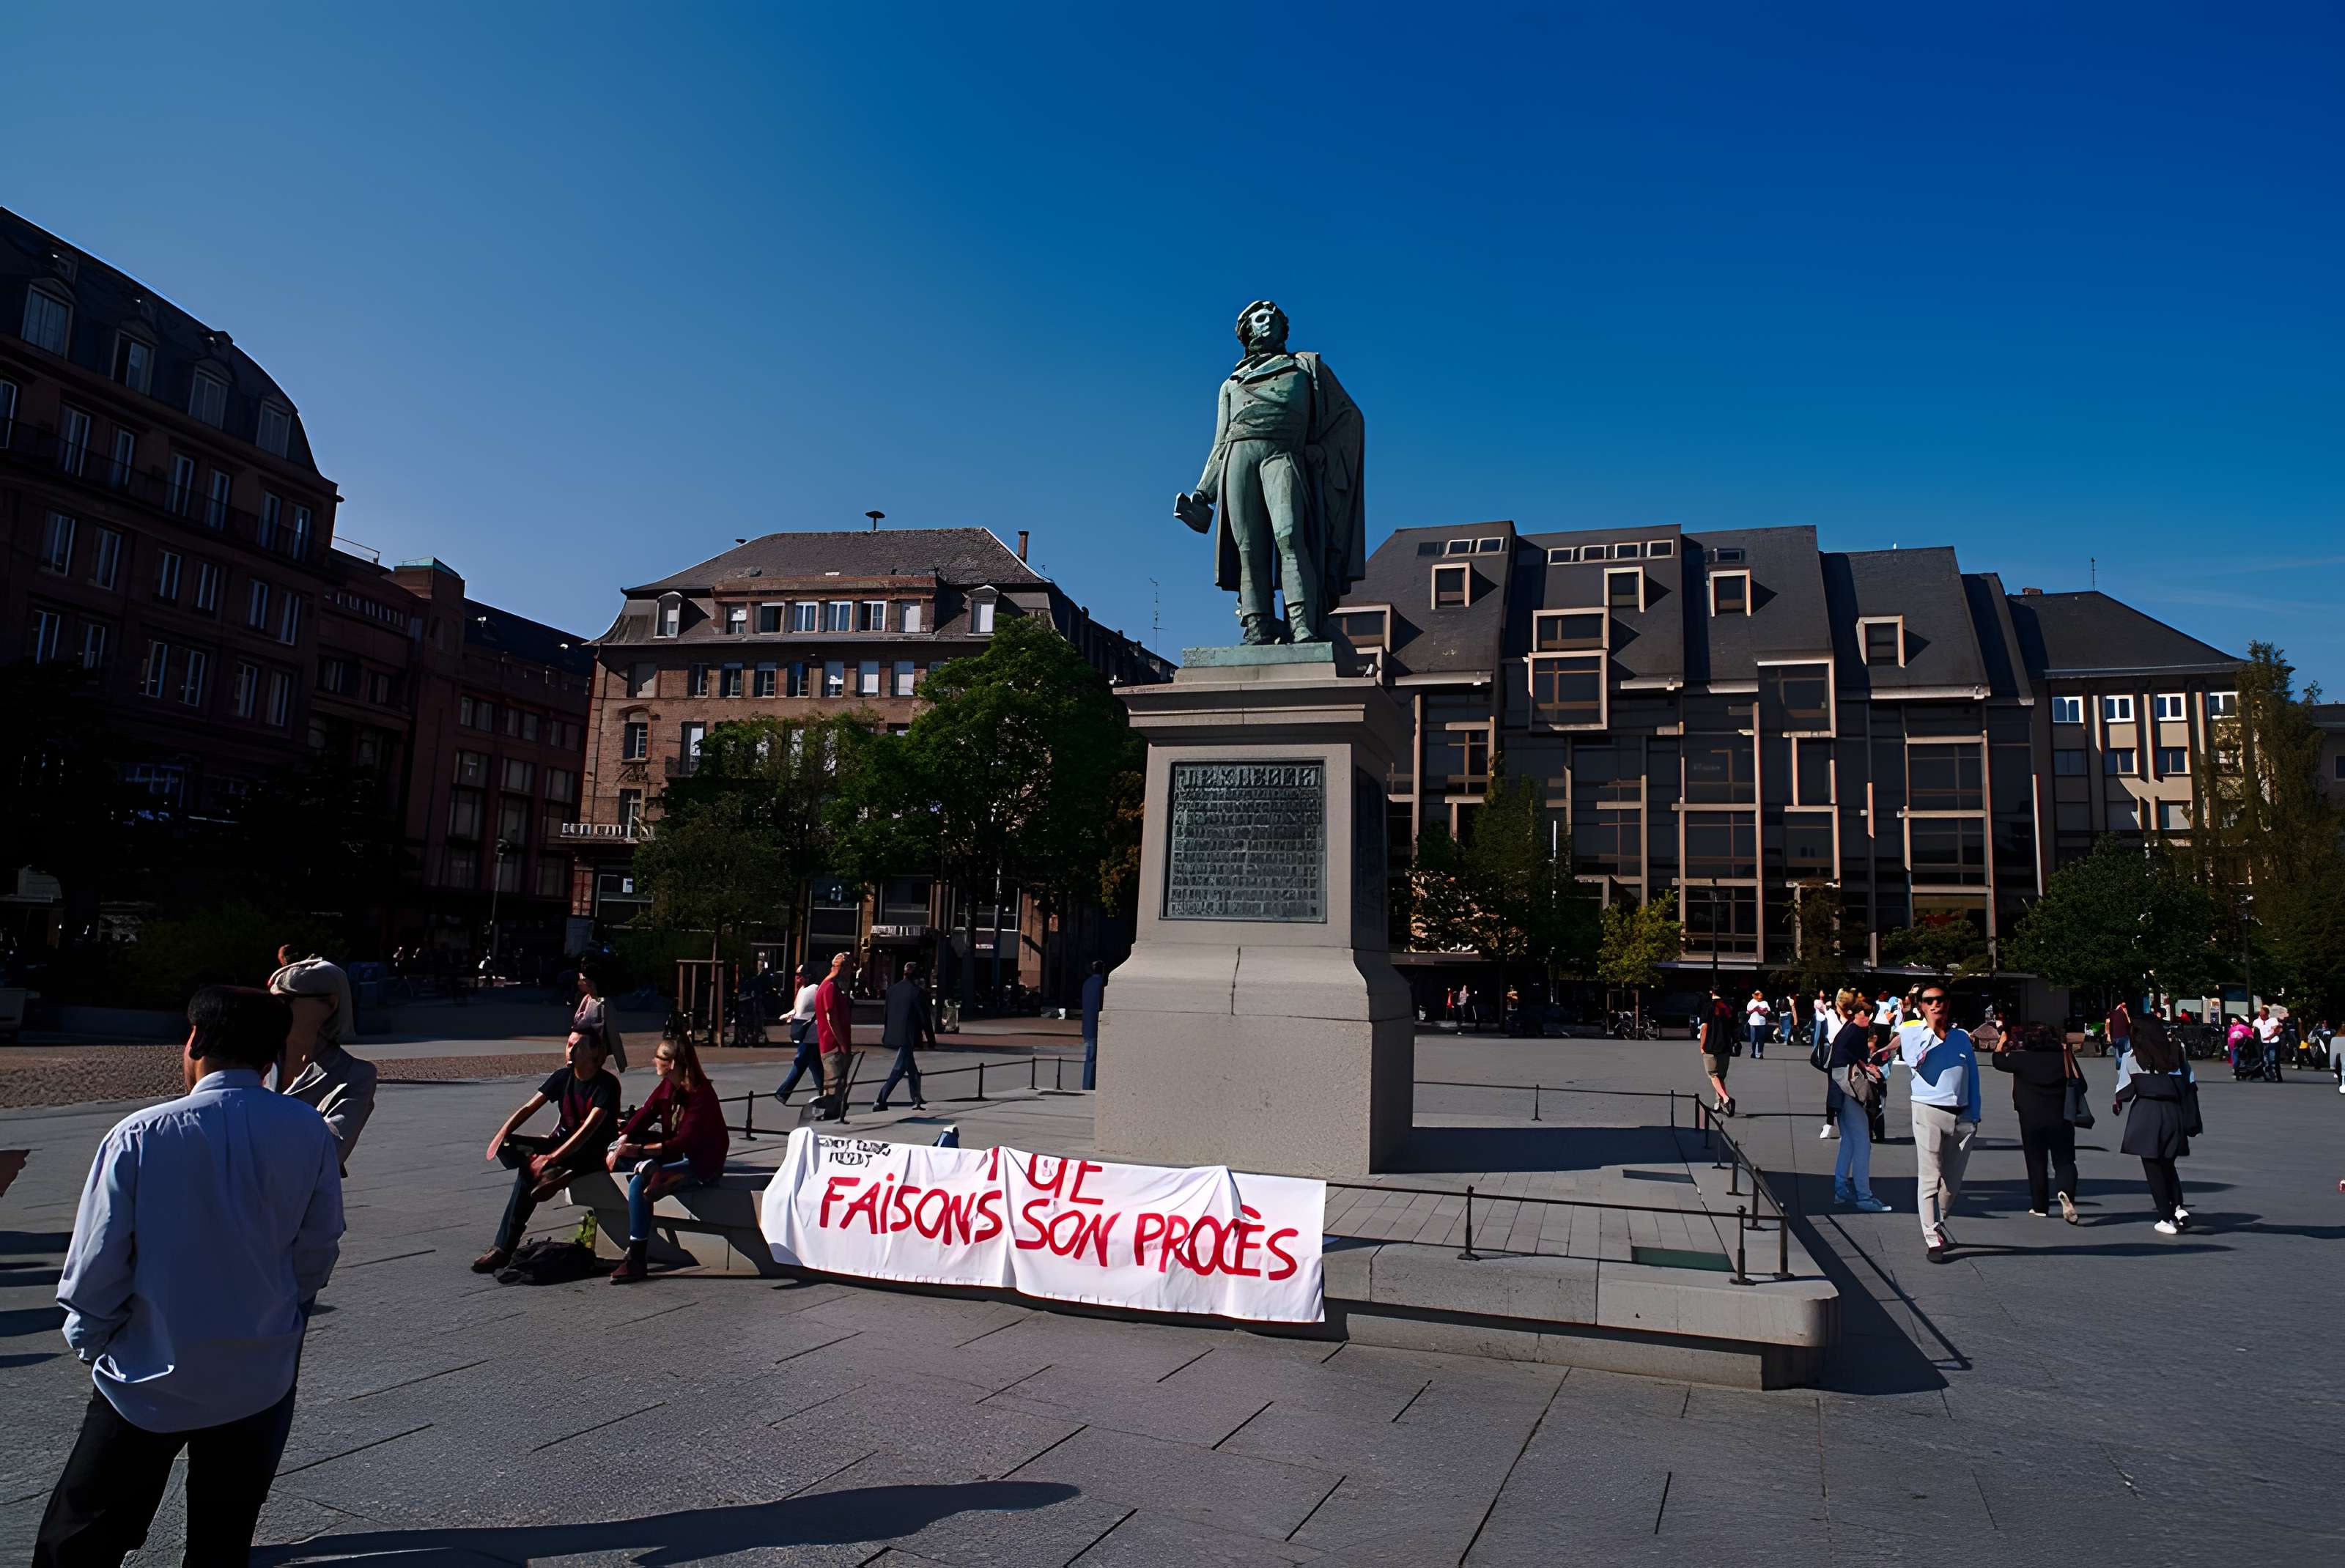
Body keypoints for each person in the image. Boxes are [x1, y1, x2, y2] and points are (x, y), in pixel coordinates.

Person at [37, 985, 343, 1562]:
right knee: (222, 1538)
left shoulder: (141, 1133)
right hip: (258, 1371)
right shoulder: (308, 1130)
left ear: (196, 1038)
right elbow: (317, 1247)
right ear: (272, 1056)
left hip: (145, 1373)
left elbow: (97, 1263)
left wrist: (92, 1342)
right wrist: (281, 1313)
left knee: (80, 1537)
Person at [473, 1028, 621, 1273]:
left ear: (595, 1052)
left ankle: (504, 1248)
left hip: (592, 1151)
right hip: (561, 1146)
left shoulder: (606, 1084)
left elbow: (588, 1130)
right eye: (569, 1044)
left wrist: (551, 1157)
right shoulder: (562, 1076)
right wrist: (502, 1134)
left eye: (578, 1046)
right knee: (515, 1149)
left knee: (529, 1171)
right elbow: (529, 1108)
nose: (571, 1050)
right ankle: (553, 1173)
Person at [605, 1037, 728, 1284]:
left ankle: (636, 1259)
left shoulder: (700, 1095)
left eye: (659, 1057)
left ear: (671, 1063)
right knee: (627, 1166)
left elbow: (684, 1142)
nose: (654, 1061)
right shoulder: (667, 1087)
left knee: (638, 1184)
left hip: (701, 1163)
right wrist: (622, 1140)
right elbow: (646, 1112)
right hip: (674, 1157)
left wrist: (638, 1150)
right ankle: (656, 1173)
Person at [267, 955, 379, 1173]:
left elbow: (328, 1152)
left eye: (285, 1001)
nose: (273, 1012)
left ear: (330, 1005)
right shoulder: (256, 1061)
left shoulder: (354, 1075)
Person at [1901, 984, 1980, 1263]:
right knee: (1930, 1176)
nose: (1936, 1005)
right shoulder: (1911, 1032)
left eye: (1941, 1000)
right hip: (1927, 1110)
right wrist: (1932, 1032)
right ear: (1921, 1006)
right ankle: (1932, 1236)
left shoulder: (1961, 1037)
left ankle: (1940, 1219)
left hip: (1962, 1116)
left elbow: (1972, 1075)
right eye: (1929, 1001)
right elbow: (1914, 1060)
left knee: (1952, 1183)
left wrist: (1975, 1112)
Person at [2116, 1014, 2197, 1233]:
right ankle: (2178, 1206)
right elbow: (2190, 1082)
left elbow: (2124, 1090)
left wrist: (2118, 1103)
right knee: (2168, 1164)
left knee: (2153, 1167)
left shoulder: (2131, 1057)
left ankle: (2165, 1217)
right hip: (2173, 1113)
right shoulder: (2175, 1052)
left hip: (2147, 1113)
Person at [1993, 1022, 2081, 1224]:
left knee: (2036, 1161)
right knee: (2065, 1159)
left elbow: (1998, 1062)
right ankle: (2066, 1191)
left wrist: (2002, 1044)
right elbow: (2080, 1083)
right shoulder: (2064, 1058)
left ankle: (2040, 1205)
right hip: (2061, 1115)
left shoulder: (2021, 1059)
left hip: (2031, 1116)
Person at [1827, 988, 1891, 1211]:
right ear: (1857, 1014)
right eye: (1866, 1014)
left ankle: (1841, 1189)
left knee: (1849, 1142)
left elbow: (1845, 1056)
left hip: (1839, 1091)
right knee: (1863, 1142)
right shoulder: (1856, 1031)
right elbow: (1852, 1058)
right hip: (1851, 1091)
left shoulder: (1847, 1029)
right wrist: (1868, 1068)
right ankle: (1864, 1196)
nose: (1869, 1018)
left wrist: (1865, 1065)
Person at [873, 961, 937, 1112]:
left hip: (893, 1034)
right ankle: (880, 1100)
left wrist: (887, 1032)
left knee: (911, 1068)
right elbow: (925, 1018)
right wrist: (931, 1039)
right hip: (907, 1037)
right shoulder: (916, 992)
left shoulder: (892, 990)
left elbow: (886, 1014)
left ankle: (916, 1097)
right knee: (899, 1069)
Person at [772, 964, 824, 1103]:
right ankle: (825, 1091)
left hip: (810, 1033)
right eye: (796, 976)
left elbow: (805, 1011)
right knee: (815, 1065)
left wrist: (792, 1016)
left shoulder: (814, 990)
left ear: (808, 977)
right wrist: (789, 1015)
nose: (797, 979)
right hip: (807, 1033)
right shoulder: (803, 989)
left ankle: (783, 1093)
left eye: (799, 976)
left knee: (800, 1063)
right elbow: (798, 1009)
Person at [814, 952, 857, 1120]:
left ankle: (835, 1110)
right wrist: (842, 1044)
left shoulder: (827, 986)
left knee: (835, 1082)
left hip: (831, 1043)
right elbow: (831, 1017)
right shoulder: (830, 987)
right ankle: (833, 1113)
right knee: (835, 1082)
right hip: (833, 1045)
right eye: (850, 969)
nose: (850, 974)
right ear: (843, 968)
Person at [572, 966, 625, 1072]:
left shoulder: (603, 1003)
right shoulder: (586, 998)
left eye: (583, 980)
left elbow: (612, 1033)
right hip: (582, 1051)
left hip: (596, 1053)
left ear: (592, 982)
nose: (580, 983)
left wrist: (620, 1062)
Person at [1698, 989, 1735, 1117]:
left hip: (1711, 1046)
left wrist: (1702, 1045)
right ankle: (1719, 1103)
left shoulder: (1708, 1007)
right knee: (1721, 1077)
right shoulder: (1728, 1007)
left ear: (1712, 993)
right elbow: (1734, 1027)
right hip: (1725, 1046)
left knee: (1713, 1075)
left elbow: (1705, 1027)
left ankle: (1725, 1099)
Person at [1813, 990, 1839, 1139]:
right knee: (1836, 1090)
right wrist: (1822, 1000)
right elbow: (1818, 1005)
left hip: (1842, 1056)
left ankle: (1833, 1123)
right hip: (1839, 1056)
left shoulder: (1848, 1018)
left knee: (1839, 1090)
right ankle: (1831, 1123)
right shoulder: (1831, 1014)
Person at [1080, 960, 1107, 1090]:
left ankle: (1087, 1085)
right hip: (1095, 1026)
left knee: (1089, 1057)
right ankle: (1089, 1086)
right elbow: (1100, 1006)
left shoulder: (1087, 983)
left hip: (1086, 1026)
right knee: (1092, 1058)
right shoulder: (1100, 984)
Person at [2254, 1005, 2283, 1080]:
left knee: (2273, 1059)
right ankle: (2267, 1075)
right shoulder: (2257, 1022)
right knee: (2265, 1060)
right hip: (2263, 1043)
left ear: (2267, 1014)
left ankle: (2278, 1076)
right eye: (2260, 1014)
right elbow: (2254, 1031)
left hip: (2273, 1042)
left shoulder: (2273, 1020)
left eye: (2263, 1015)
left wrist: (2270, 1037)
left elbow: (2277, 1030)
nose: (2261, 1016)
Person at [1744, 990, 1771, 1059]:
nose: (1759, 994)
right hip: (1753, 1023)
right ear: (1754, 995)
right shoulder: (1751, 1002)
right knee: (1753, 1040)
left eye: (1760, 993)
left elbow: (1768, 1012)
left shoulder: (1765, 1003)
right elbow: (1747, 1012)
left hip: (1762, 1023)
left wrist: (1762, 1011)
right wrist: (1754, 1010)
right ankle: (1753, 1052)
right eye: (1757, 993)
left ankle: (1760, 1053)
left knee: (1761, 1039)